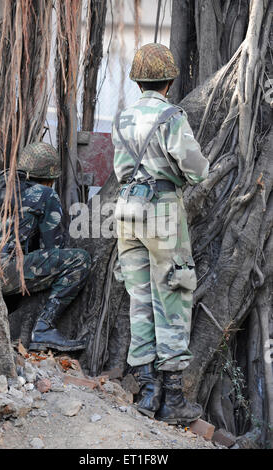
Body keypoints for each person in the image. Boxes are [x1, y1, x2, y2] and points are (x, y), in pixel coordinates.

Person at [112, 43, 209, 424]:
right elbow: (197, 168)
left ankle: (147, 391)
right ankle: (171, 399)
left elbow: (121, 170)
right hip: (162, 209)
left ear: (137, 81)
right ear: (169, 81)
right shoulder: (171, 115)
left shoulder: (122, 117)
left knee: (138, 297)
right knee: (173, 292)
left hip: (126, 209)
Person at [0, 142, 91, 352]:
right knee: (78, 259)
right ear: (49, 177)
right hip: (0, 273)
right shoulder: (44, 194)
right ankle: (43, 329)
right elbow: (53, 247)